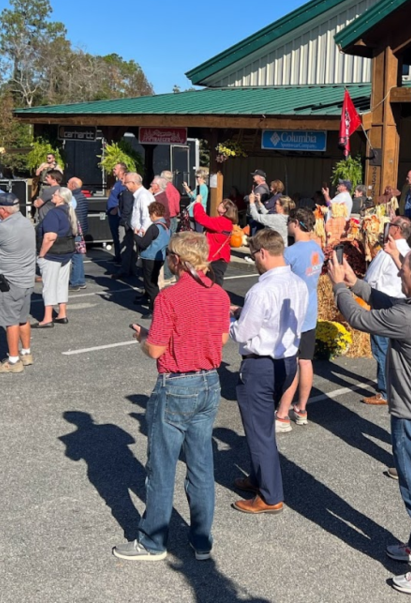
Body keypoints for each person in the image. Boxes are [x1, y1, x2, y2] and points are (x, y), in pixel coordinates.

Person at [329, 247, 411, 596]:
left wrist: (339, 286)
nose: (399, 274)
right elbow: (394, 307)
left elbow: (358, 319)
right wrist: (359, 285)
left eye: (402, 271)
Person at [112, 232, 231, 562]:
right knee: (201, 464)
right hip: (210, 381)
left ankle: (152, 541)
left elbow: (155, 349)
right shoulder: (219, 294)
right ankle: (202, 540)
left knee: (162, 466)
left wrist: (143, 337)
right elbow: (221, 337)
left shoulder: (170, 297)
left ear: (176, 260)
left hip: (177, 383)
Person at [229, 229, 308, 514]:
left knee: (259, 430)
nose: (254, 261)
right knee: (260, 427)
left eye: (253, 256)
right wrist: (244, 312)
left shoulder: (261, 289)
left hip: (260, 365)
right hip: (286, 360)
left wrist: (227, 320)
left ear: (262, 252)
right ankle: (260, 478)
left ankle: (270, 496)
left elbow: (242, 333)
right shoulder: (297, 283)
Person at [275, 208, 325, 432]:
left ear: (296, 223)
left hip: (293, 311)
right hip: (310, 311)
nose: (287, 225)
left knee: (291, 363)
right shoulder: (317, 248)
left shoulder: (290, 253)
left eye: (289, 222)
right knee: (306, 361)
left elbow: (278, 280)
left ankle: (283, 413)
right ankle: (302, 408)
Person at [0, 192, 37, 374]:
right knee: (22, 318)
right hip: (26, 278)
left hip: (10, 280)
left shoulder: (4, 228)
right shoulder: (27, 223)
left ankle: (13, 360)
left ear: (3, 210)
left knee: (10, 322)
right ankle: (26, 353)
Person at [361, 216, 411, 406]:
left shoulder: (387, 252)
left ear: (396, 230)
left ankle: (385, 391)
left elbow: (371, 279)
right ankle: (397, 386)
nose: (388, 227)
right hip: (402, 303)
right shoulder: (409, 252)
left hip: (384, 303)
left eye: (391, 225)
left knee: (381, 348)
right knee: (397, 349)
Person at [34, 188, 77, 328]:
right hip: (67, 252)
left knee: (49, 285)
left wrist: (41, 254)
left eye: (55, 194)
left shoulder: (53, 213)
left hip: (52, 254)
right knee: (62, 283)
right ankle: (62, 313)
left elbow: (50, 237)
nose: (52, 195)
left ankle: (47, 318)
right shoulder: (69, 211)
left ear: (60, 198)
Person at [134, 202, 171, 315]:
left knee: (151, 284)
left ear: (155, 213)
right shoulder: (165, 226)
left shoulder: (154, 227)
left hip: (150, 257)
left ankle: (155, 309)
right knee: (152, 280)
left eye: (150, 214)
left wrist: (136, 235)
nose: (150, 216)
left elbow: (143, 244)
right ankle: (146, 298)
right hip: (160, 257)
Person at [192, 197, 239, 284]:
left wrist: (198, 204)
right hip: (216, 257)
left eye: (220, 204)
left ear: (224, 210)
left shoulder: (223, 222)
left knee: (214, 284)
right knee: (208, 283)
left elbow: (201, 218)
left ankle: (217, 297)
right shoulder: (225, 222)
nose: (218, 205)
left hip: (217, 259)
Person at [67, 177, 89, 291]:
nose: (66, 184)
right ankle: (80, 280)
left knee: (76, 256)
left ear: (73, 185)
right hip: (81, 229)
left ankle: (76, 281)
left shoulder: (73, 198)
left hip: (76, 230)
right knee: (78, 256)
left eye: (68, 183)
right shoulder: (82, 196)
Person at [107, 163, 129, 267]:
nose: (113, 170)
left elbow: (123, 198)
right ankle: (117, 256)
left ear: (121, 170)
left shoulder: (123, 184)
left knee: (119, 236)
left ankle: (121, 259)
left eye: (115, 168)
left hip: (116, 215)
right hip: (111, 214)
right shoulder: (117, 183)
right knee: (115, 236)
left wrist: (116, 209)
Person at [243, 170, 269, 234]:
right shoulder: (259, 187)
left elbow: (250, 198)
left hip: (256, 214)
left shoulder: (262, 188)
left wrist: (247, 197)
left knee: (254, 234)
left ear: (260, 177)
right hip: (254, 214)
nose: (253, 177)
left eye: (255, 175)